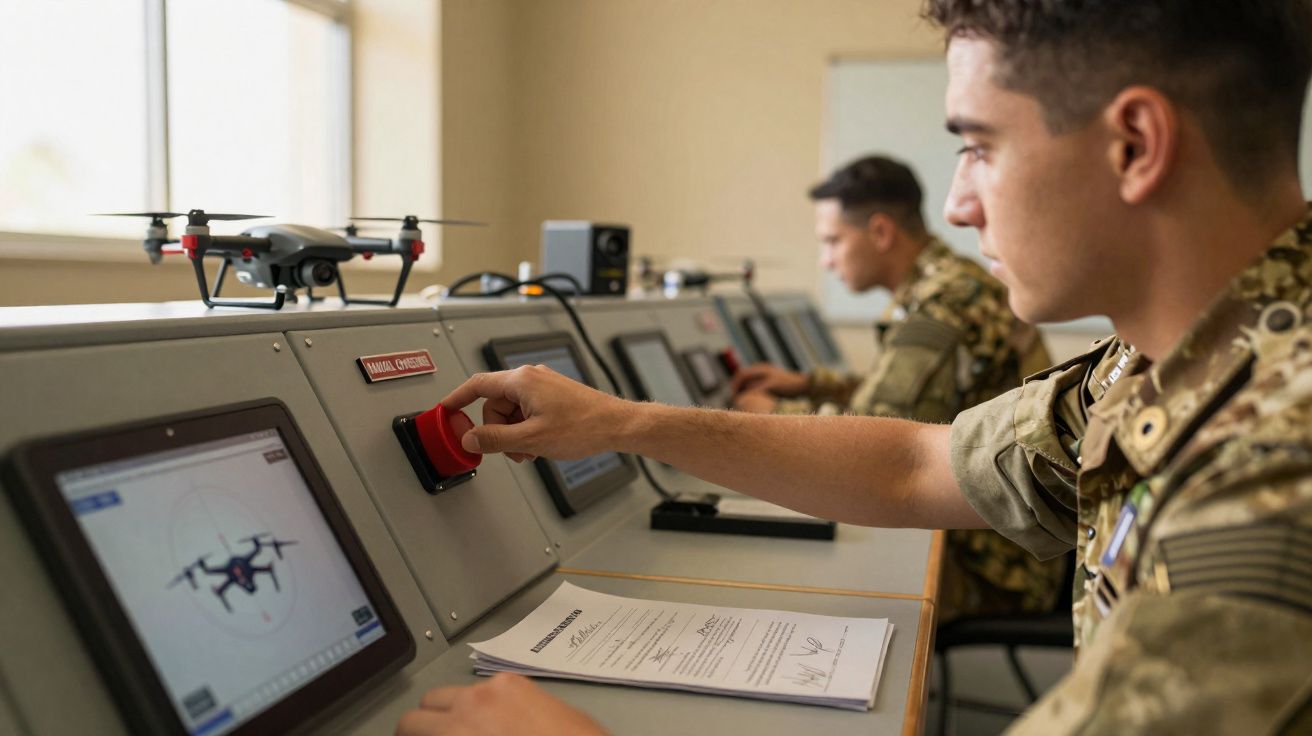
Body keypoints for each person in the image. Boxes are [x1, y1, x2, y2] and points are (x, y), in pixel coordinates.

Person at [398, 1, 1312, 733]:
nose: (955, 205)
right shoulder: (1157, 363)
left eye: (980, 146)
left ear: (1135, 146)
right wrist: (619, 422)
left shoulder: (1272, 473)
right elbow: (918, 464)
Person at [733, 154, 1063, 624]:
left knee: (788, 581)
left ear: (882, 232)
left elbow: (871, 439)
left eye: (832, 241)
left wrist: (763, 414)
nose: (826, 261)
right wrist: (809, 385)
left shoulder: (942, 305)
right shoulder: (952, 281)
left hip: (993, 563)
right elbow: (912, 394)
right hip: (996, 532)